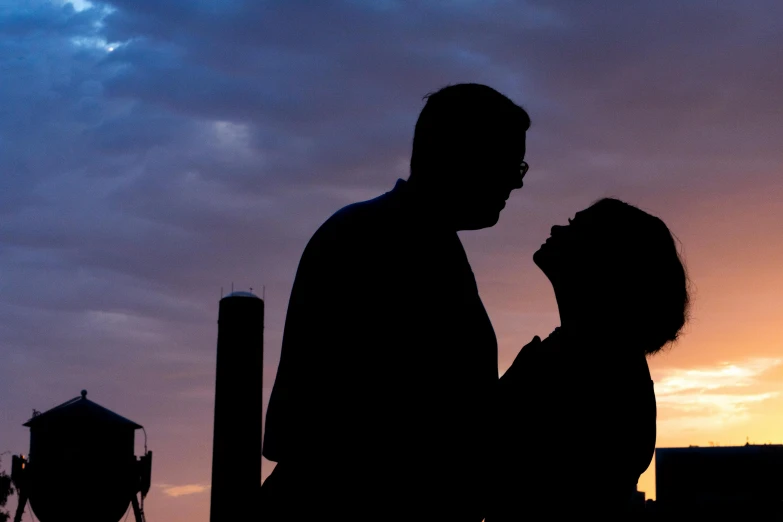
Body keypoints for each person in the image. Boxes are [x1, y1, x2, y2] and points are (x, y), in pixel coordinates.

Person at [261, 84, 531, 521]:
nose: (516, 182)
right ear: (463, 156)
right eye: (509, 164)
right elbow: (417, 418)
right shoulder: (390, 243)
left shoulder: (393, 235)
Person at [488, 198, 690, 521]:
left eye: (574, 227)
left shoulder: (585, 370)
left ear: (604, 261)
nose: (556, 228)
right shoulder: (597, 362)